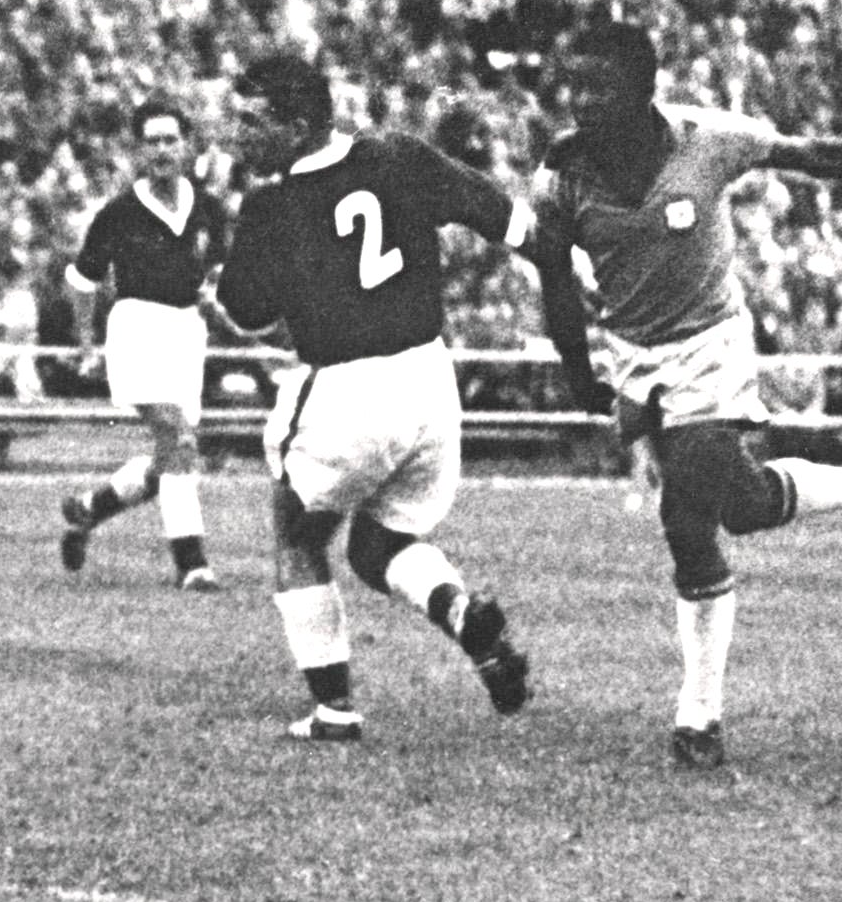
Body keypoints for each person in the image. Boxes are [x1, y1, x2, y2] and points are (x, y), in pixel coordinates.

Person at [532, 19, 842, 771]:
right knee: (737, 508)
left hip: (711, 344)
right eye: (572, 85)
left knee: (686, 511)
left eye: (597, 87)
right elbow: (555, 276)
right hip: (635, 353)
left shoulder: (708, 139)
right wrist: (581, 369)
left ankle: (699, 717)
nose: (579, 102)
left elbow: (822, 156)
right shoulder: (562, 174)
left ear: (645, 89)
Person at [216, 55, 535, 745]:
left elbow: (246, 311)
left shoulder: (271, 204)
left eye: (251, 122)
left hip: (347, 384)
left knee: (295, 531)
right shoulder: (399, 156)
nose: (237, 135)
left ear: (298, 125)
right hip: (430, 380)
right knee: (378, 542)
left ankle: (334, 709)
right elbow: (503, 216)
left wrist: (238, 265)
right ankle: (459, 612)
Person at [58, 102, 224, 591]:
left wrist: (216, 293)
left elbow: (220, 267)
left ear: (186, 144)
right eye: (152, 141)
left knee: (171, 459)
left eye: (170, 139)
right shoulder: (119, 213)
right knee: (179, 441)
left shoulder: (208, 207)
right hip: (136, 330)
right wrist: (87, 343)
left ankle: (92, 507)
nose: (162, 150)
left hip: (186, 333)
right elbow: (80, 280)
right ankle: (192, 564)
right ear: (138, 149)